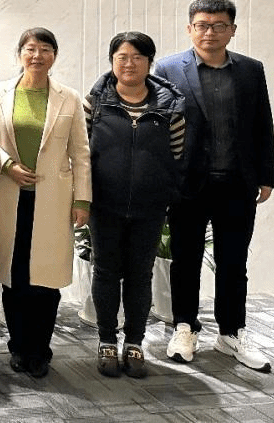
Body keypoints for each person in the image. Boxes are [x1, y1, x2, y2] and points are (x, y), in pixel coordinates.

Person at [156, 0, 274, 373]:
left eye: (219, 25)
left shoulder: (251, 70)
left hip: (238, 183)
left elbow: (262, 124)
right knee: (185, 260)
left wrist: (266, 175)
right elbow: (160, 128)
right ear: (189, 29)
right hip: (188, 185)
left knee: (233, 263)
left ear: (232, 30)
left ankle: (231, 333)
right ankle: (184, 327)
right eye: (202, 25)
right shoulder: (168, 68)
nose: (210, 32)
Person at [0, 28, 91, 379]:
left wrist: (82, 199)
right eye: (30, 49)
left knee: (45, 279)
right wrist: (7, 165)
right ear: (19, 54)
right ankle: (18, 346)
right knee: (14, 276)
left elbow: (81, 153)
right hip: (9, 196)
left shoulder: (69, 98)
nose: (37, 56)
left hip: (53, 200)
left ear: (54, 56)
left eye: (45, 49)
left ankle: (40, 350)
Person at [85, 31, 185, 378]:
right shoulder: (95, 103)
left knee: (141, 275)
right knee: (105, 272)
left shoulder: (170, 107)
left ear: (149, 62)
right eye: (122, 57)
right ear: (112, 61)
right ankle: (106, 340)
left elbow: (177, 156)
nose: (129, 64)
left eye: (138, 57)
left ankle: (135, 342)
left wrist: (165, 194)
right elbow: (82, 154)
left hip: (150, 207)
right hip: (104, 205)